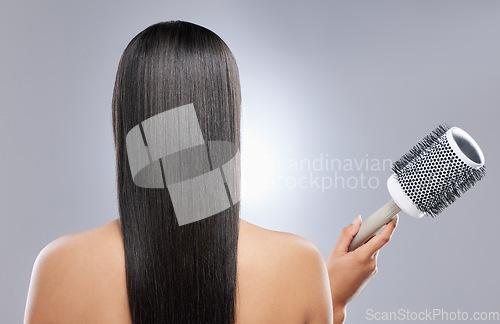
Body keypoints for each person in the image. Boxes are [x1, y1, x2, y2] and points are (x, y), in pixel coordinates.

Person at [24, 20, 397, 324]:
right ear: (226, 119)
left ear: (127, 124)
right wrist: (328, 303)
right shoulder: (298, 265)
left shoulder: (61, 267)